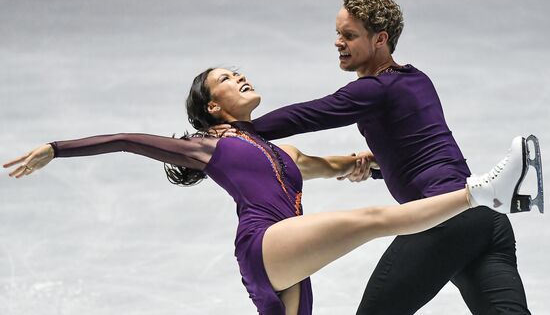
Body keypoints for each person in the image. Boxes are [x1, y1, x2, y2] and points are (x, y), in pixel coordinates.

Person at [3, 67, 540, 315]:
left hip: (289, 259)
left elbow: (332, 164)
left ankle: (482, 197)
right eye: (226, 80)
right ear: (214, 107)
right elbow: (125, 141)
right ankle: (486, 194)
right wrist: (56, 147)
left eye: (239, 72)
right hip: (266, 243)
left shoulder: (278, 151)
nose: (240, 79)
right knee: (374, 220)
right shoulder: (207, 146)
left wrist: (366, 162)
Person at [211, 0, 542, 314]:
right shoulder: (415, 79)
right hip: (487, 220)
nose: (338, 42)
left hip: (445, 219)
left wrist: (243, 131)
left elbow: (311, 114)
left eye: (350, 35)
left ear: (380, 39)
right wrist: (379, 163)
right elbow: (423, 147)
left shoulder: (374, 90)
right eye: (338, 33)